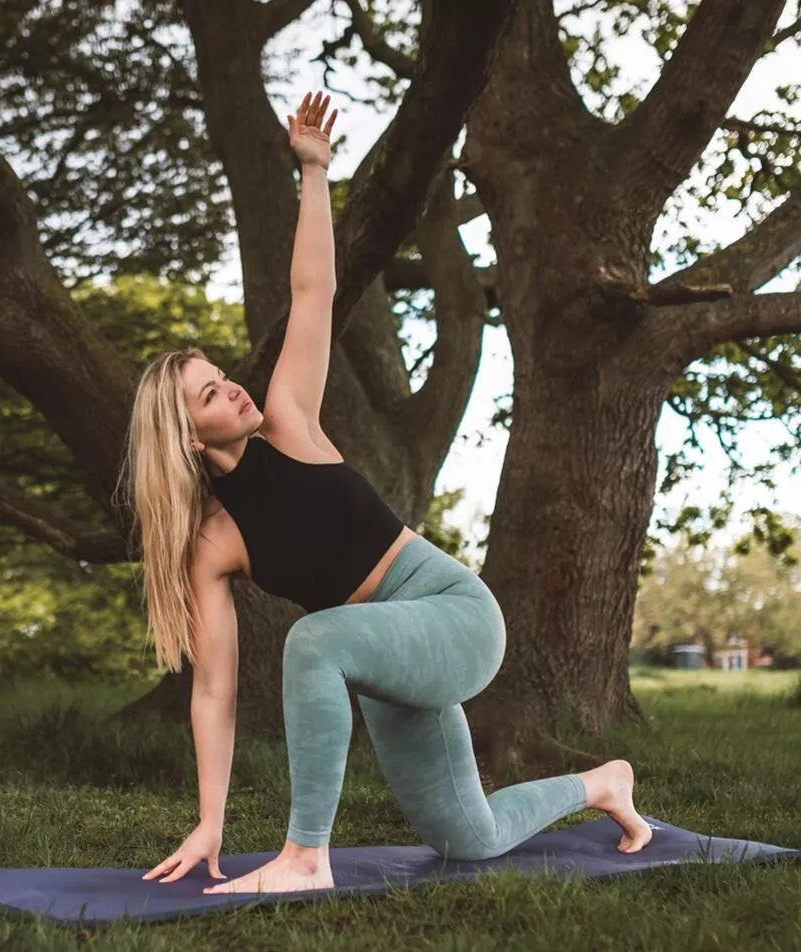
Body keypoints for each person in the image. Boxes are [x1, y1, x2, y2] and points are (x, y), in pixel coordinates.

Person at [119, 92, 652, 896]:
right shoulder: (213, 545)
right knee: (468, 838)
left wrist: (313, 172)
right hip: (386, 651)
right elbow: (214, 690)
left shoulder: (289, 421)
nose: (232, 390)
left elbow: (312, 295)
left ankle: (306, 857)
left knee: (313, 641)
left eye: (222, 378)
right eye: (209, 396)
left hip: (451, 614)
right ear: (190, 441)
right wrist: (210, 821)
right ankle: (603, 784)